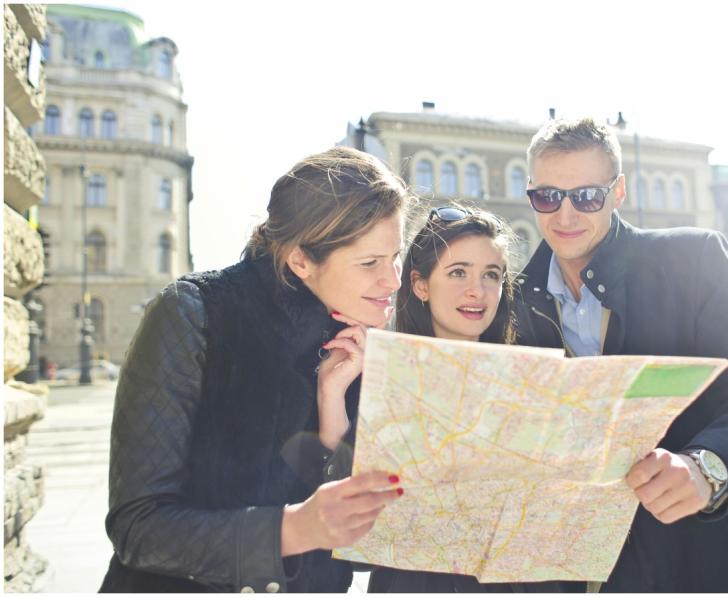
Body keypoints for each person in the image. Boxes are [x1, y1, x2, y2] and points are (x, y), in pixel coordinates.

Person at [514, 117, 728, 592]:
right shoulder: (511, 302)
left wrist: (706, 468)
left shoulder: (692, 260)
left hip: (711, 562)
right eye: (548, 196)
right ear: (530, 192)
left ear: (619, 191)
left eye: (587, 196)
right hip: (585, 573)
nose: (565, 216)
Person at [99, 147, 411, 593]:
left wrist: (331, 413)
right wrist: (295, 529)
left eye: (395, 256)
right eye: (370, 263)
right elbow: (138, 529)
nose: (394, 280)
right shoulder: (194, 313)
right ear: (301, 260)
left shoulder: (358, 339)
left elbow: (357, 546)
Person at [367, 205, 564, 593]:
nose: (477, 290)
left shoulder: (535, 386)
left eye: (491, 275)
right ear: (421, 284)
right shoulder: (384, 380)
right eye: (458, 272)